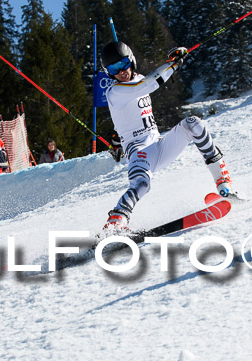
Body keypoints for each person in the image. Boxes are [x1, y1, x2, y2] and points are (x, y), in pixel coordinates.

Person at [99, 41, 236, 231]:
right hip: (140, 150)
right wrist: (172, 64)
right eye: (114, 68)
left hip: (159, 145)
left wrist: (115, 138)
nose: (121, 71)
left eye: (123, 63)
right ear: (109, 73)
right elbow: (145, 86)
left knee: (193, 124)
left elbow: (130, 109)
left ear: (131, 60)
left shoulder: (136, 79)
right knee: (141, 183)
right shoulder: (115, 91)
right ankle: (116, 220)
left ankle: (224, 186)